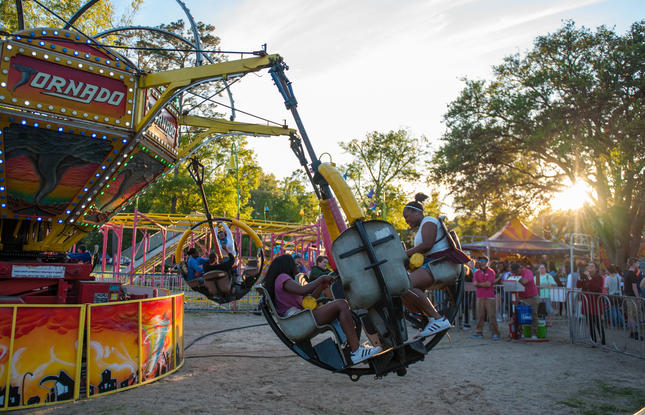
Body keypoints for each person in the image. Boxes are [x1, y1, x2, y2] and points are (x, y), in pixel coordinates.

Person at [263, 254, 381, 364]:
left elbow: (310, 298)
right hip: (299, 320)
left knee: (342, 306)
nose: (298, 266)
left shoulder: (286, 281)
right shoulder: (282, 277)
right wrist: (321, 278)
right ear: (286, 266)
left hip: (300, 319)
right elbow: (304, 290)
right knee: (341, 304)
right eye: (295, 264)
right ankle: (356, 351)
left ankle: (354, 348)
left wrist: (322, 285)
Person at [400, 193, 457, 337]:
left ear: (416, 212)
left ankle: (437, 319)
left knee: (407, 285)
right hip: (433, 265)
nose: (406, 220)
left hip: (440, 264)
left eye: (407, 216)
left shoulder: (429, 221)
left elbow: (427, 245)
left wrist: (404, 254)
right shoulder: (421, 227)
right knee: (402, 289)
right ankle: (430, 318)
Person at [471, 256, 501, 340]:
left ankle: (495, 333)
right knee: (480, 315)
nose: (482, 262)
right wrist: (482, 284)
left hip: (489, 297)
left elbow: (488, 284)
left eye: (484, 260)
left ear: (487, 262)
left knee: (492, 316)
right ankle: (478, 332)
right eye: (480, 260)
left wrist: (479, 284)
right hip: (480, 296)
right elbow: (474, 283)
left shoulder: (491, 272)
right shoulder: (476, 272)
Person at [577, 262, 606, 345]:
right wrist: (579, 276)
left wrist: (589, 277)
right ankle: (593, 341)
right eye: (589, 266)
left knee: (598, 322)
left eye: (592, 266)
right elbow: (579, 285)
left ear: (596, 269)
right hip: (587, 303)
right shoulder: (586, 277)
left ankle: (603, 341)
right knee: (590, 323)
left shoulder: (599, 277)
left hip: (595, 303)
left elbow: (595, 287)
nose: (589, 267)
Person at [514, 262, 539, 339]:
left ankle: (534, 333)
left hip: (531, 297)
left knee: (533, 314)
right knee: (520, 315)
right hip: (521, 296)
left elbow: (525, 281)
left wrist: (516, 279)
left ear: (519, 268)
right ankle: (521, 332)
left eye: (516, 271)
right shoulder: (515, 273)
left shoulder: (527, 272)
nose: (515, 273)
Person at [623, 258, 641, 340]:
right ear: (633, 264)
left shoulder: (627, 273)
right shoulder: (632, 274)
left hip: (628, 296)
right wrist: (638, 297)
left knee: (631, 315)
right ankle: (635, 333)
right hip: (632, 297)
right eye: (637, 263)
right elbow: (634, 287)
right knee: (633, 315)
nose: (638, 265)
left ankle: (632, 332)